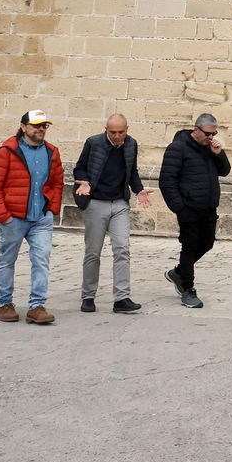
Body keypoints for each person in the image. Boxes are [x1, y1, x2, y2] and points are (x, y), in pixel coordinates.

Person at [0, 110, 64, 325]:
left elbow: (57, 182)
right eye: (36, 125)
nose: (40, 129)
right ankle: (5, 304)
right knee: (7, 260)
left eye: (44, 126)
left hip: (41, 218)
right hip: (14, 218)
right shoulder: (7, 152)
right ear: (23, 127)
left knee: (41, 259)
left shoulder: (51, 152)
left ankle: (36, 306)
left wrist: (51, 209)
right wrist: (3, 216)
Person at [72, 114, 153, 314]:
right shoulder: (93, 143)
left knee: (122, 249)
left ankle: (121, 298)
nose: (117, 136)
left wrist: (138, 190)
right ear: (105, 130)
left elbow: (131, 171)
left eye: (121, 132)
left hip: (119, 203)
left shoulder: (131, 144)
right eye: (113, 132)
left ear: (127, 129)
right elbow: (79, 168)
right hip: (96, 202)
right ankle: (88, 296)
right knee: (93, 251)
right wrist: (84, 182)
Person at [159, 113, 231, 309]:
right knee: (189, 247)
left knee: (207, 243)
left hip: (208, 206)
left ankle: (178, 273)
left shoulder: (210, 148)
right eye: (208, 133)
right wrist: (179, 208)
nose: (211, 137)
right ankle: (188, 289)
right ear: (196, 130)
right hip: (188, 207)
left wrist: (219, 154)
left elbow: (225, 171)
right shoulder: (178, 148)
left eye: (214, 133)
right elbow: (167, 181)